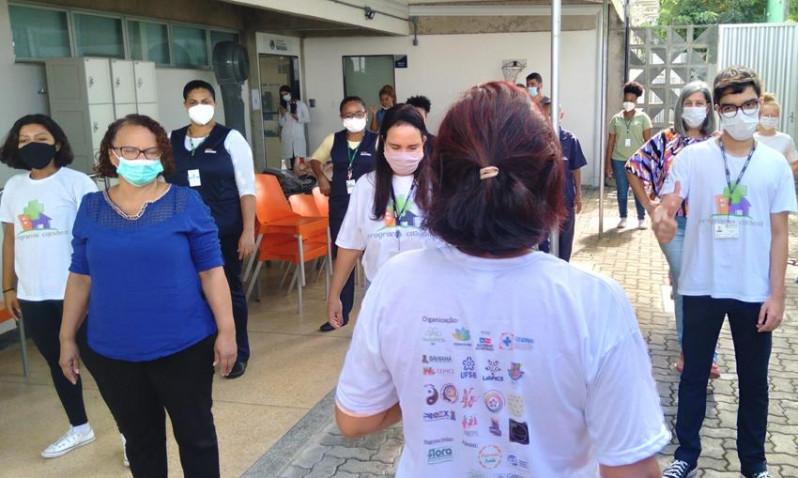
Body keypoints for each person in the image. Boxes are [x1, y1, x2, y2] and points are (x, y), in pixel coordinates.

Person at [335, 82, 669, 477]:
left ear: (439, 177)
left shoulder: (395, 281)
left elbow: (355, 418)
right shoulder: (593, 301)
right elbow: (632, 468)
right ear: (548, 179)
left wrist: (433, 398)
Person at [58, 114, 237, 478]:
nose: (139, 158)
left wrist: (228, 331)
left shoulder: (184, 203)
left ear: (161, 155)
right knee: (141, 444)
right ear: (111, 154)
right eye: (129, 150)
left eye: (149, 151)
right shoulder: (91, 208)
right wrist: (65, 337)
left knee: (197, 438)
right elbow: (80, 277)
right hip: (113, 353)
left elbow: (211, 271)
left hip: (183, 347)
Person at [655, 66, 797, 478]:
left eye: (749, 104)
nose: (742, 113)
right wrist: (662, 221)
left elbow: (780, 234)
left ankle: (754, 463)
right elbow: (668, 205)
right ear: (719, 110)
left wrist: (778, 295)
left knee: (754, 383)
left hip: (754, 292)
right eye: (731, 107)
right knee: (694, 375)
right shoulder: (692, 158)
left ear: (759, 102)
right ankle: (686, 455)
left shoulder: (774, 165)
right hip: (700, 285)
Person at [0, 115, 97, 459]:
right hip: (33, 294)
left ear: (57, 143)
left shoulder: (77, 183)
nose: (32, 145)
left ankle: (130, 433)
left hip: (77, 290)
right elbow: (10, 239)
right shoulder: (13, 188)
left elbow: (95, 236)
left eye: (40, 137)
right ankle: (79, 426)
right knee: (59, 364)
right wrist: (9, 288)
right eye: (23, 140)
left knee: (103, 365)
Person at [625, 81, 720, 378]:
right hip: (675, 226)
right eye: (688, 103)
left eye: (700, 102)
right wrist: (651, 206)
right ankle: (691, 351)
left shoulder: (720, 141)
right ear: (680, 107)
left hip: (710, 227)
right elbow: (633, 166)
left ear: (709, 108)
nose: (694, 108)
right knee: (688, 283)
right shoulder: (666, 140)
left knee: (706, 289)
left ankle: (706, 352)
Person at [165, 80, 255, 379]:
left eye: (205, 100)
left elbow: (247, 189)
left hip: (224, 230)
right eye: (193, 101)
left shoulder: (231, 139)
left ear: (214, 103)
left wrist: (248, 231)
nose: (199, 106)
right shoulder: (171, 139)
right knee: (190, 293)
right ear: (184, 105)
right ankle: (203, 351)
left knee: (228, 290)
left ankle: (238, 351)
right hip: (182, 232)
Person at [327, 104, 437, 328]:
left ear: (424, 143)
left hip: (430, 293)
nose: (403, 154)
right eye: (395, 146)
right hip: (379, 290)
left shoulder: (440, 186)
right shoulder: (366, 186)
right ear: (383, 143)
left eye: (412, 146)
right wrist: (335, 294)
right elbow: (350, 243)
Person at [309, 96, 378, 332]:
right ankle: (342, 312)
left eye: (358, 114)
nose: (354, 119)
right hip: (340, 206)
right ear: (341, 117)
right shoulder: (334, 139)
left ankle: (375, 313)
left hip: (371, 210)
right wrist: (321, 178)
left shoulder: (377, 141)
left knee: (373, 259)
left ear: (366, 115)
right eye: (348, 115)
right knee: (343, 258)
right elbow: (315, 160)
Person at [538, 96, 587, 261]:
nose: (548, 118)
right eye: (545, 114)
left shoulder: (571, 140)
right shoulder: (536, 141)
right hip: (543, 199)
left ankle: (563, 266)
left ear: (561, 115)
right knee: (543, 240)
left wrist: (578, 194)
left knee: (565, 239)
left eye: (552, 113)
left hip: (565, 197)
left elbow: (575, 169)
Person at [605, 81, 653, 230]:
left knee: (639, 190)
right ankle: (623, 217)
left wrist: (649, 164)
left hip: (637, 161)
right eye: (626, 100)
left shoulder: (643, 118)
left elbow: (648, 143)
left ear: (636, 101)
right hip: (618, 159)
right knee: (622, 190)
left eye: (631, 100)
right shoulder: (616, 119)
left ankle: (641, 218)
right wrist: (608, 164)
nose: (628, 103)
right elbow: (611, 143)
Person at [755, 93, 797, 175]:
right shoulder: (751, 139)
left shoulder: (786, 139)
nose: (770, 118)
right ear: (759, 116)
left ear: (778, 118)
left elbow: (795, 163)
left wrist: (783, 175)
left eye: (773, 116)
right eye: (766, 115)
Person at [278, 84, 311, 171]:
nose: (284, 96)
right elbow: (281, 123)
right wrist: (282, 114)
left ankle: (299, 178)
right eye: (282, 95)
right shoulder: (283, 107)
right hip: (287, 136)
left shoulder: (301, 104)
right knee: (286, 160)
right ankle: (288, 178)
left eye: (286, 94)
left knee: (299, 160)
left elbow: (308, 119)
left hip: (298, 136)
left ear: (290, 93)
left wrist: (297, 117)